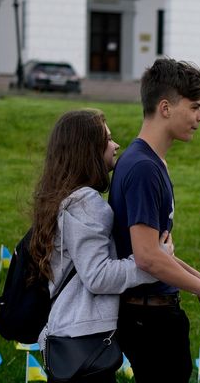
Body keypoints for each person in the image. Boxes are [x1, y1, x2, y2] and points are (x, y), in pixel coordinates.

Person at [109, 58, 200, 382]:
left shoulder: (151, 162)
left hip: (157, 312)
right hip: (149, 318)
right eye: (194, 107)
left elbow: (163, 254)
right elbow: (148, 256)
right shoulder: (143, 168)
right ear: (166, 108)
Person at [29, 109, 160, 383]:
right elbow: (97, 276)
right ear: (88, 149)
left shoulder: (62, 197)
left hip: (67, 334)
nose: (116, 146)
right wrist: (151, 263)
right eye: (108, 139)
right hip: (82, 341)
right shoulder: (86, 203)